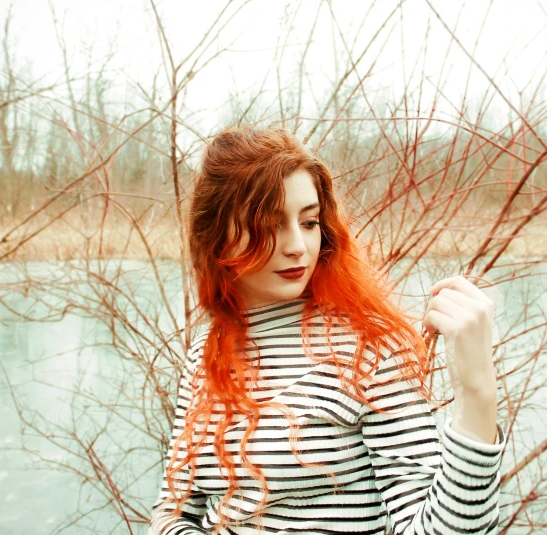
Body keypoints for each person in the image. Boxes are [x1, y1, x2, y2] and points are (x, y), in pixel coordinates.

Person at [149, 125, 505, 535]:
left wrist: (478, 394)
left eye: (309, 221)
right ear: (217, 236)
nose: (298, 245)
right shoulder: (205, 351)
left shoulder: (371, 349)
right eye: (272, 223)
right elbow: (174, 510)